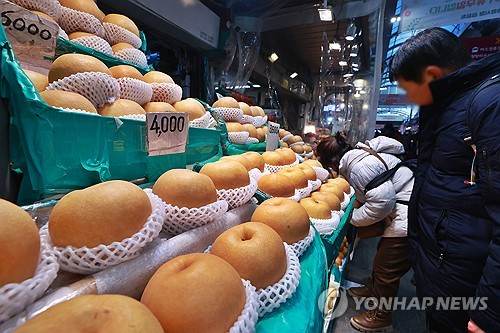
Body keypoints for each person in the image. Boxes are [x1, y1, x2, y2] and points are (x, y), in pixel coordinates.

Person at [389, 27, 499, 333]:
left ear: (433, 74)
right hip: (447, 272)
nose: (408, 97)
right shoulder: (448, 108)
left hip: (471, 291)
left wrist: (490, 310)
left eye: (408, 87)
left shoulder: (488, 106)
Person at [316, 134, 414, 332]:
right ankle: (373, 288)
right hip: (403, 203)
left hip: (408, 210)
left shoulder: (359, 167)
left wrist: (353, 218)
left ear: (333, 160)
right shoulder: (357, 158)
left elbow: (382, 203)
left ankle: (382, 317)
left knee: (387, 266)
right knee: (382, 254)